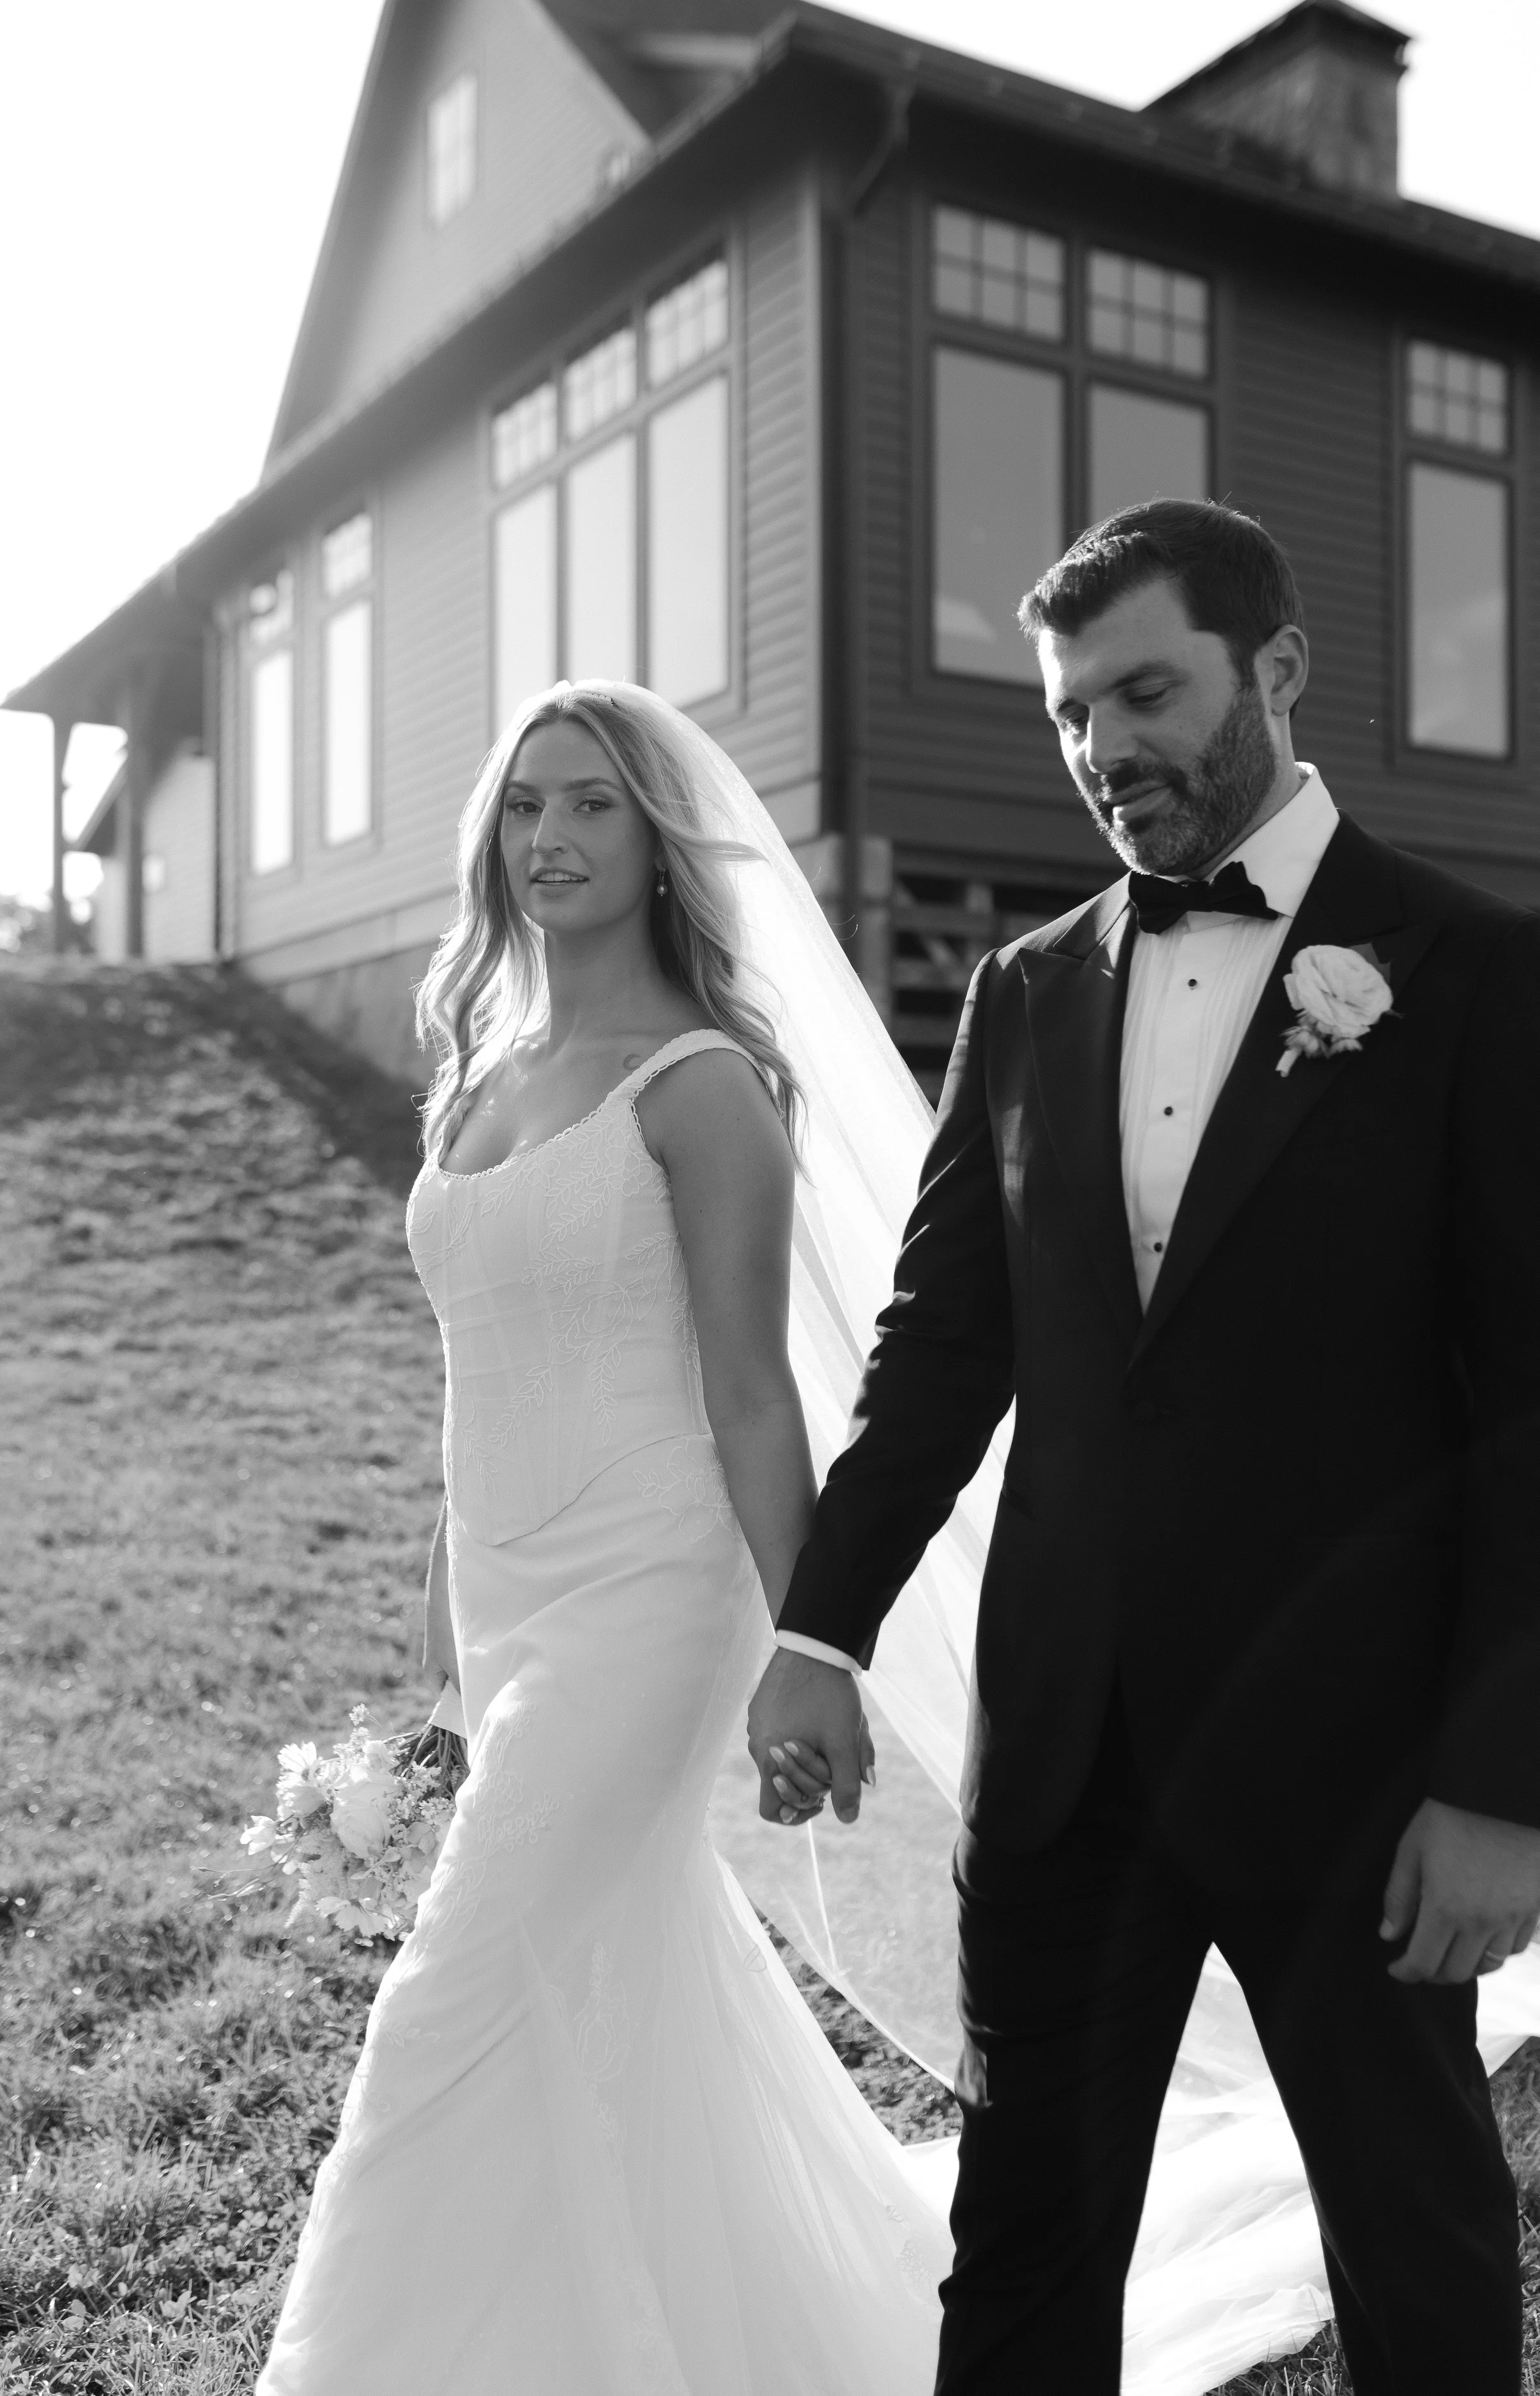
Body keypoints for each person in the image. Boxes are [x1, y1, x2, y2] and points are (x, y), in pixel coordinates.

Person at [749, 498, 1540, 2395]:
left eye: (1145, 690)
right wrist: (820, 1626)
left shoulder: (1476, 976)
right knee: (1021, 2241)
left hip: (1359, 1775)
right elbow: (942, 1349)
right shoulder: (1025, 995)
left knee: (1414, 2241)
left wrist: (1503, 1780)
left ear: (1272, 670)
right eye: (1069, 714)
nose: (1104, 746)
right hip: (1065, 1753)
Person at [255, 680, 950, 2395]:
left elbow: (752, 1395)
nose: (550, 840)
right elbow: (466, 1370)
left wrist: (813, 1644)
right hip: (503, 1585)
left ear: (656, 847)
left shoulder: (704, 1086)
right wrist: (434, 1657)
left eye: (592, 808)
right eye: (524, 808)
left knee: (458, 1983)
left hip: (650, 1587)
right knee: (607, 1974)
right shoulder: (475, 1078)